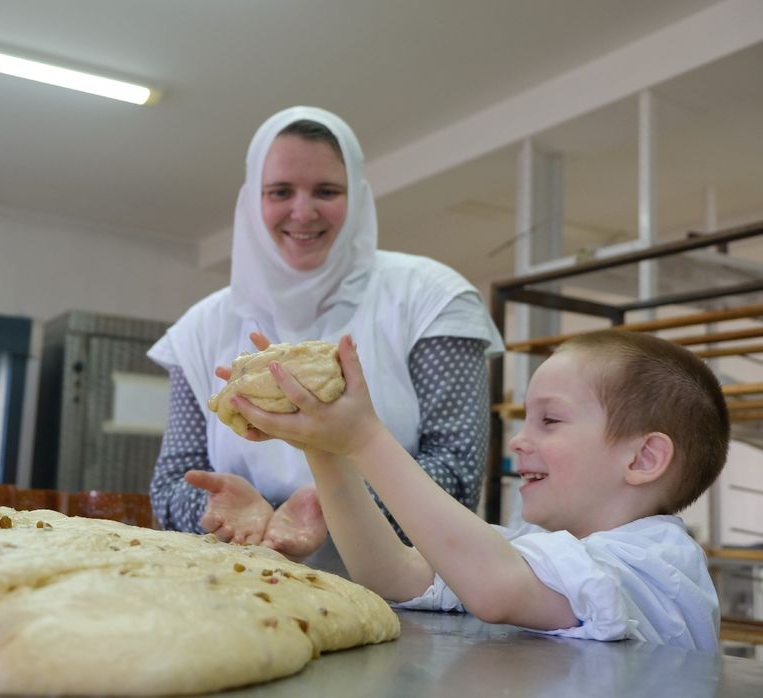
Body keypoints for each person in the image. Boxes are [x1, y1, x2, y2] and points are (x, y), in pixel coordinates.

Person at [147, 105, 503, 565]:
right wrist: (219, 508)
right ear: (252, 201)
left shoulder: (431, 300)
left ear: (357, 196)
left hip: (411, 593)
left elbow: (457, 474)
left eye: (327, 191)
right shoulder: (201, 328)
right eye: (280, 191)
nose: (303, 211)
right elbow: (172, 485)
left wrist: (332, 506)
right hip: (241, 585)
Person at [229, 329, 729, 652]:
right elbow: (394, 575)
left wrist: (364, 439)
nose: (519, 440)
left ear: (643, 459)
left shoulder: (659, 565)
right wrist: (324, 448)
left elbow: (496, 589)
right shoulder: (536, 550)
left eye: (550, 421)